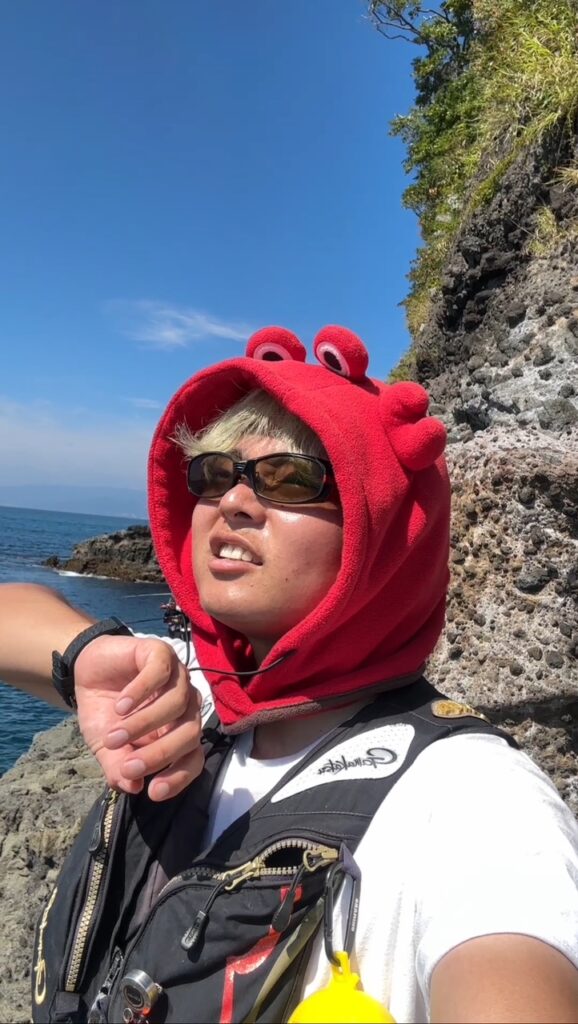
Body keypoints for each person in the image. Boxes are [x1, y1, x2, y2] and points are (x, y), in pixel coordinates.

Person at [2, 324, 578, 1024]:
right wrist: (88, 653)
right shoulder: (192, 692)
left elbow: (509, 953)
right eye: (215, 473)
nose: (233, 501)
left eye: (291, 478)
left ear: (385, 533)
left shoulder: (471, 797)